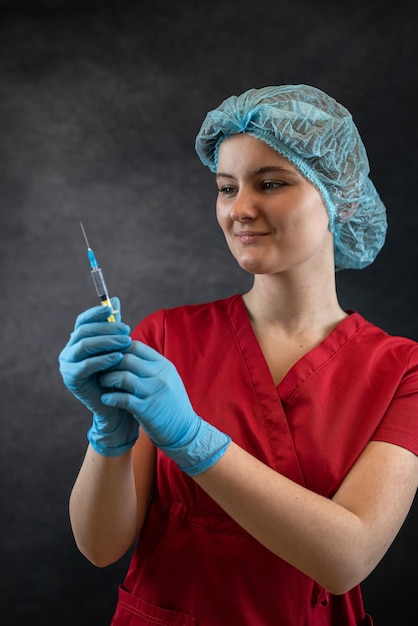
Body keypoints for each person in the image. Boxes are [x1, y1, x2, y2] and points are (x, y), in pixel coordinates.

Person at [59, 84, 417, 626]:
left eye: (270, 183)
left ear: (341, 197)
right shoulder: (164, 338)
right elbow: (99, 547)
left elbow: (347, 559)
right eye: (227, 188)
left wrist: (191, 438)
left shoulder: (401, 370)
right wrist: (109, 433)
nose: (240, 210)